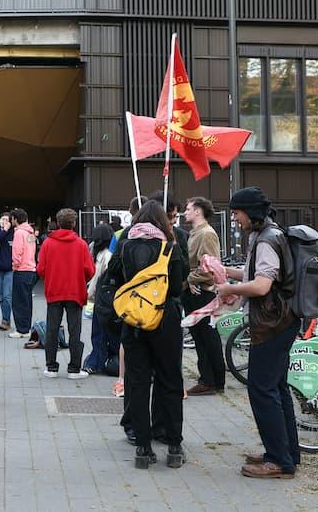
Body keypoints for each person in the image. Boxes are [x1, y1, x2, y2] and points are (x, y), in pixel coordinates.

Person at [216, 187, 300, 480]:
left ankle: (279, 461)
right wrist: (226, 271)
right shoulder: (268, 235)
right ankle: (287, 453)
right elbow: (256, 275)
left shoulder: (266, 240)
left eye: (237, 213)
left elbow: (262, 286)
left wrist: (229, 289)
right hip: (280, 321)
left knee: (262, 389)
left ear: (250, 212)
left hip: (272, 323)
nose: (234, 218)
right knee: (276, 388)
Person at [119, 200, 185, 469]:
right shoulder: (170, 247)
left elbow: (118, 277)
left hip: (135, 320)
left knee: (137, 383)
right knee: (170, 381)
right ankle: (174, 446)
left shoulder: (126, 246)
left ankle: (143, 449)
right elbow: (178, 289)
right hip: (165, 320)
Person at [37, 208, 95, 379]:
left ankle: (51, 367)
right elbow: (90, 270)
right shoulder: (81, 244)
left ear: (58, 222)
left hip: (54, 290)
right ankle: (74, 369)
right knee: (75, 330)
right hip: (75, 292)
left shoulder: (48, 243)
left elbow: (41, 269)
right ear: (74, 224)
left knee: (52, 329)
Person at [182, 196, 225, 396]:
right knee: (200, 337)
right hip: (195, 290)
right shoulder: (196, 233)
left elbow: (210, 267)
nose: (185, 212)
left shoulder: (206, 234)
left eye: (188, 208)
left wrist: (191, 279)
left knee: (206, 337)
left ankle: (211, 380)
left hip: (202, 292)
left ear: (198, 211)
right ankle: (209, 378)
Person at [83, 223, 117, 375]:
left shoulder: (103, 256)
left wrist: (88, 294)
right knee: (102, 333)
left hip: (102, 300)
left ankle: (96, 362)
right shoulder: (104, 254)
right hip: (104, 300)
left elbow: (96, 279)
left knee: (100, 333)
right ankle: (100, 361)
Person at [9, 208, 37, 339]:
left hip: (21, 270)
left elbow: (17, 252)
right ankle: (26, 327)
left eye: (12, 218)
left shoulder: (19, 233)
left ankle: (21, 329)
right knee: (27, 301)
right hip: (31, 269)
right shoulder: (30, 233)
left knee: (19, 301)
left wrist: (15, 265)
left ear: (15, 219)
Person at [0, 212, 14, 331]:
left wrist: (7, 230)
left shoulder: (14, 234)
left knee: (7, 296)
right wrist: (4, 231)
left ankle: (6, 320)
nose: (4, 221)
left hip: (10, 270)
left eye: (7, 220)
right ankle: (5, 318)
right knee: (1, 296)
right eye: (2, 219)